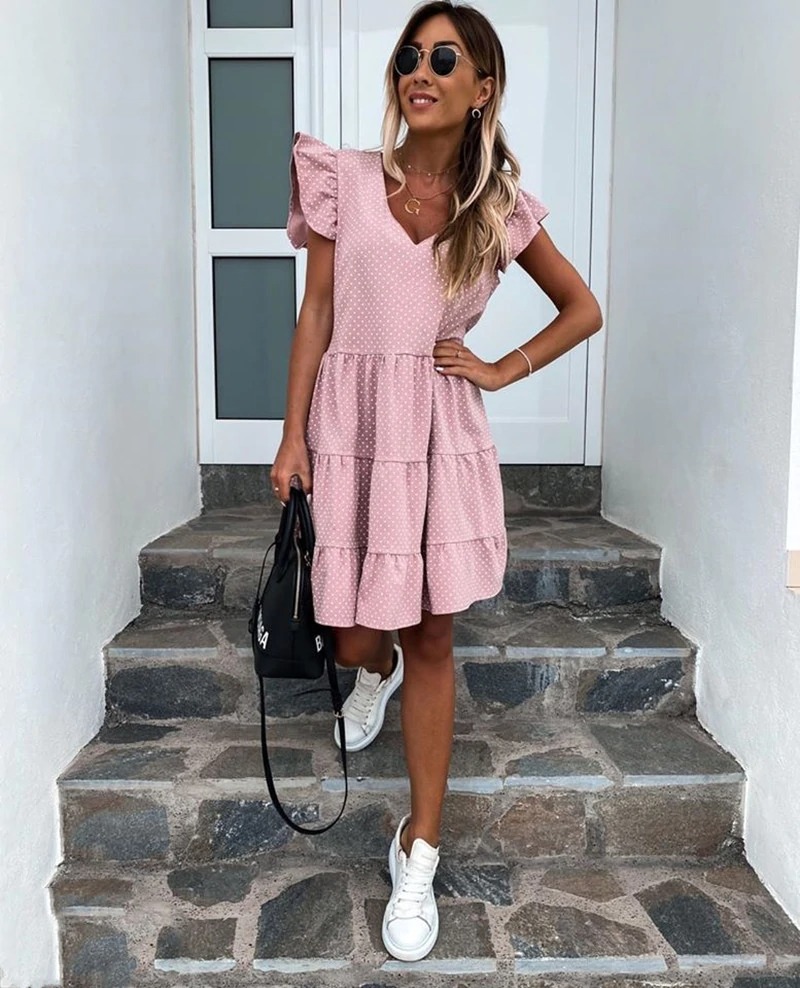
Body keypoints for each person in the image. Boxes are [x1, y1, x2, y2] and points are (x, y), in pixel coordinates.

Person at [270, 0, 603, 964]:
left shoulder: (495, 208)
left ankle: (418, 848)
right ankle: (369, 673)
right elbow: (317, 311)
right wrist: (291, 435)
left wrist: (500, 369)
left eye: (444, 59)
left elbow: (581, 308)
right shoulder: (343, 178)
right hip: (352, 428)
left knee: (432, 633)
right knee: (353, 631)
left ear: (482, 88)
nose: (420, 71)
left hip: (438, 431)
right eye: (410, 57)